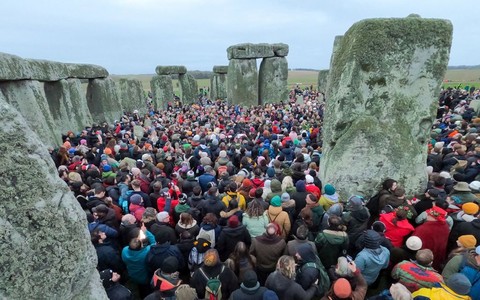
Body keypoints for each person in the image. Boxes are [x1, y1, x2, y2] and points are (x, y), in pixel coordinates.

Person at [413, 206, 450, 271]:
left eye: (428, 214)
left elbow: (414, 242)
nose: (427, 215)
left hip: (422, 257)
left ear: (434, 217)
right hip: (436, 257)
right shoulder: (445, 227)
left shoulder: (422, 229)